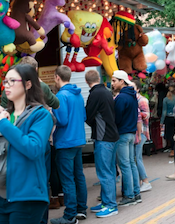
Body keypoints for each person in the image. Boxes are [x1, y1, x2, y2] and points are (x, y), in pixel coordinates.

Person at [0, 56, 61, 223]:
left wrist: (3, 124)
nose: (7, 85)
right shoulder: (6, 115)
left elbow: (34, 149)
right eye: (6, 81)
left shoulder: (40, 115)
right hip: (3, 195)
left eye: (13, 81)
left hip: (26, 196)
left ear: (28, 84)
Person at [51, 66, 87, 224]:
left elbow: (62, 120)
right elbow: (83, 115)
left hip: (65, 141)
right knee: (79, 176)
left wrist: (52, 113)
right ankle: (81, 209)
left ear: (57, 77)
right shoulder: (78, 95)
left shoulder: (60, 96)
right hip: (78, 140)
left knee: (67, 179)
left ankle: (70, 215)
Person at [84, 70, 119, 218]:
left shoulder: (94, 94)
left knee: (104, 173)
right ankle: (106, 202)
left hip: (103, 137)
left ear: (87, 82)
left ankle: (110, 205)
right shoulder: (106, 91)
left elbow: (88, 116)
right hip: (112, 136)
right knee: (109, 171)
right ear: (98, 78)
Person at [111, 70, 141, 206]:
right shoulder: (132, 95)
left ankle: (129, 195)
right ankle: (136, 192)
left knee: (125, 165)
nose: (112, 84)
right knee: (131, 163)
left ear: (122, 81)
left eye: (114, 80)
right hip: (131, 132)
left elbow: (116, 118)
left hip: (122, 133)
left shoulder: (121, 98)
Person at [131, 80, 152, 193]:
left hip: (141, 133)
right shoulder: (132, 100)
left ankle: (145, 182)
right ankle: (140, 182)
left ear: (138, 89)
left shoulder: (142, 100)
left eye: (132, 87)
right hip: (135, 133)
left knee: (137, 158)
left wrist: (136, 112)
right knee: (135, 158)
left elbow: (147, 115)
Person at [160, 84, 175, 157]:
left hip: (168, 118)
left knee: (170, 135)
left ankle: (172, 150)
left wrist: (161, 121)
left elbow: (164, 111)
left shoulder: (165, 99)